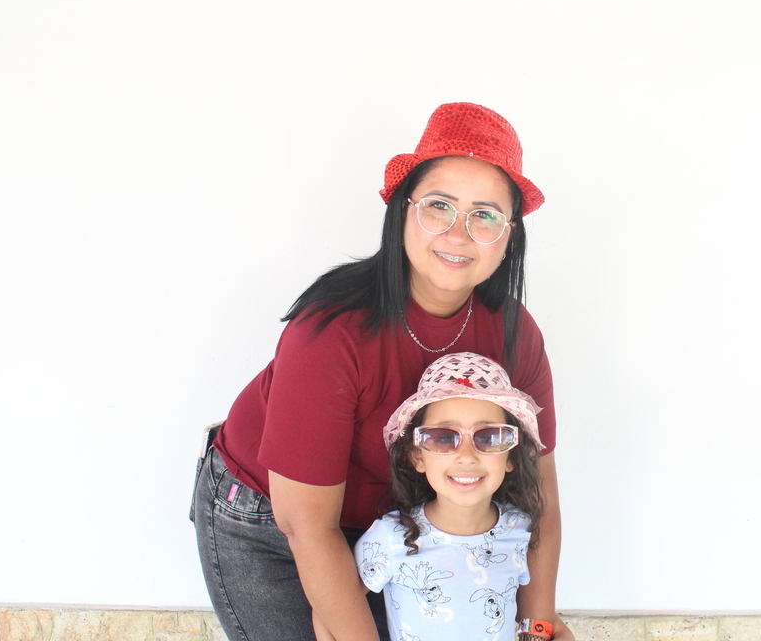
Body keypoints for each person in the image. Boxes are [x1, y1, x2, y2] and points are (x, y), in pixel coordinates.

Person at [192, 102, 573, 641]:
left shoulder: (515, 333)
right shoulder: (330, 332)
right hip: (274, 521)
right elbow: (307, 525)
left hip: (404, 524)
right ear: (403, 211)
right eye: (439, 206)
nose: (458, 234)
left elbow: (539, 499)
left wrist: (537, 626)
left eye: (485, 215)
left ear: (510, 234)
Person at [311, 352, 549, 641]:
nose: (466, 456)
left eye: (488, 436)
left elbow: (533, 619)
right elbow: (328, 607)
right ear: (417, 457)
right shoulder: (392, 538)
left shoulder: (519, 529)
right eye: (444, 437)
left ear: (511, 456)